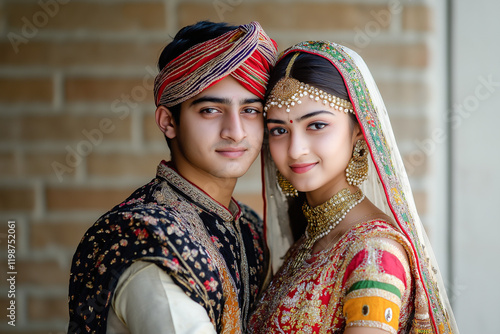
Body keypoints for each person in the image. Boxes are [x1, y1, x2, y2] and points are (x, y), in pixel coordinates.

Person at [67, 21, 277, 334]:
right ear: (168, 121)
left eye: (251, 111)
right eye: (210, 110)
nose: (235, 131)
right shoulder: (148, 239)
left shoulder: (249, 228)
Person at [248, 41, 459, 333]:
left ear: (359, 133)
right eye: (279, 130)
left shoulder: (374, 254)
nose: (295, 150)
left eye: (317, 125)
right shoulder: (310, 238)